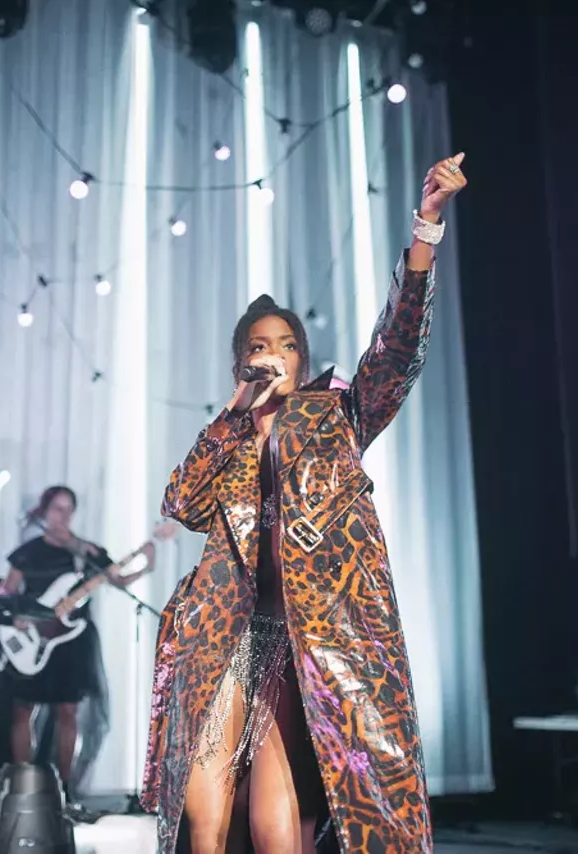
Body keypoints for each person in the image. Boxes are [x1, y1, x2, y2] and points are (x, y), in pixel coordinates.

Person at [141, 154, 467, 853]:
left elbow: (398, 347)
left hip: (313, 636)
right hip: (230, 635)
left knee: (275, 819)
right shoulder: (227, 436)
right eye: (260, 346)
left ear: (303, 357)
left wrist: (427, 227)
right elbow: (182, 503)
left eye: (288, 345)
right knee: (202, 807)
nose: (276, 354)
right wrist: (234, 412)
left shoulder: (336, 417)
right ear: (241, 363)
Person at [0, 485, 156, 795]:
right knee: (22, 709)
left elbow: (117, 580)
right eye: (57, 508)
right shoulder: (28, 551)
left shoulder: (88, 553)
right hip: (31, 636)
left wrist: (147, 566)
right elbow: (7, 590)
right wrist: (16, 616)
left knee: (67, 711)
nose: (63, 516)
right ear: (44, 511)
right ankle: (22, 784)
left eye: (69, 509)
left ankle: (64, 789)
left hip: (69, 639)